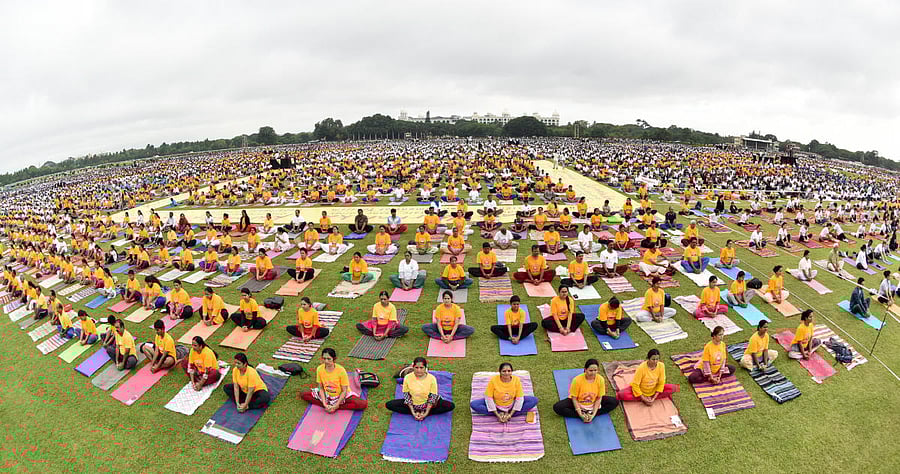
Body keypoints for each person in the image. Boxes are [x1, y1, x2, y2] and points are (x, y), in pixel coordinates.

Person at [299, 347, 369, 412]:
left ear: (334, 359)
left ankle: (335, 407)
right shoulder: (319, 369)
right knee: (303, 394)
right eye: (324, 358)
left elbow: (344, 391)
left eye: (329, 359)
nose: (326, 361)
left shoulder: (341, 370)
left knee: (362, 404)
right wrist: (324, 404)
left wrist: (336, 405)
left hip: (341, 395)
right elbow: (321, 388)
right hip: (326, 395)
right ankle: (328, 406)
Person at [385, 357, 455, 420]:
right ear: (413, 367)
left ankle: (422, 412)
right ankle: (417, 412)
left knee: (450, 406)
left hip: (428, 404)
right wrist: (413, 413)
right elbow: (407, 396)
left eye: (421, 368)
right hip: (413, 403)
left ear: (425, 368)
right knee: (389, 404)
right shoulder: (408, 377)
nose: (419, 370)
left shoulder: (431, 378)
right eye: (416, 368)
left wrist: (425, 413)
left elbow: (432, 397)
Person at [553, 358, 619, 422]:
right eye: (590, 370)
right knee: (557, 407)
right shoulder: (577, 380)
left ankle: (589, 414)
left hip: (593, 402)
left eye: (595, 370)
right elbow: (574, 398)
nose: (593, 373)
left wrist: (593, 415)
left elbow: (599, 398)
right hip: (578, 402)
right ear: (585, 369)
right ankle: (584, 415)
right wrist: (580, 414)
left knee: (614, 402)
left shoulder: (600, 379)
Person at [470, 362, 539, 422]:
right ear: (500, 372)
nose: (507, 373)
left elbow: (519, 398)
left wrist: (510, 415)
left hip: (512, 404)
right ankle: (500, 413)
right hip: (496, 405)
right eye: (504, 371)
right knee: (474, 404)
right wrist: (497, 415)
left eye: (509, 371)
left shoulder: (516, 380)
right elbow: (489, 398)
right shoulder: (494, 380)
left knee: (534, 400)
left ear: (512, 372)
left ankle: (506, 414)